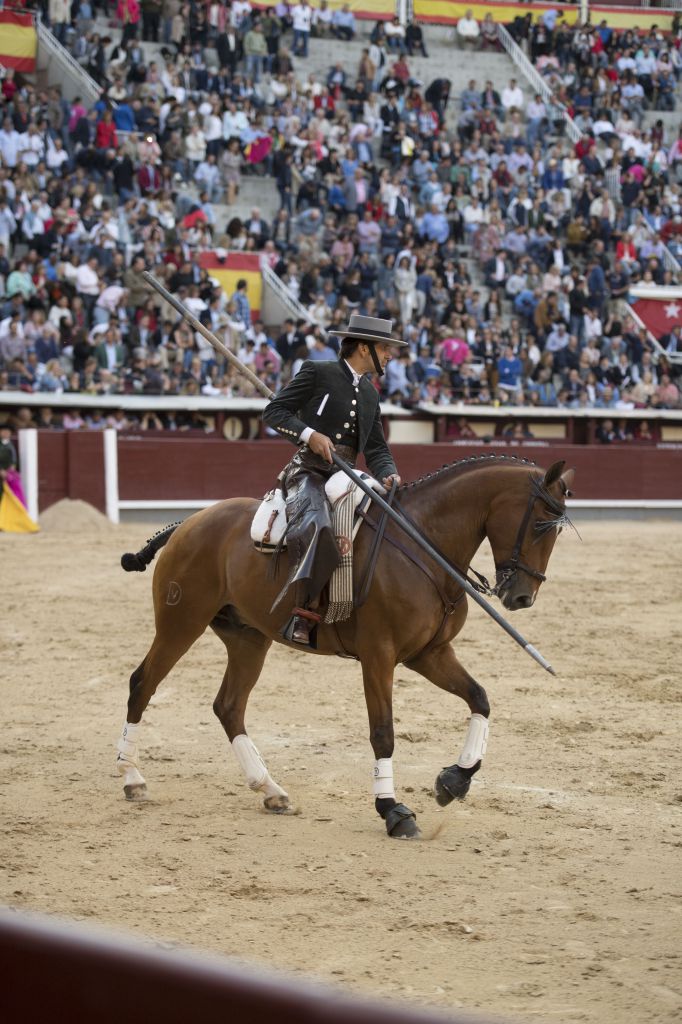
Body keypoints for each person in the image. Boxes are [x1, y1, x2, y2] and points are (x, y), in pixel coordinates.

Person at [262, 314, 407, 645]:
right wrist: (309, 434)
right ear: (362, 347)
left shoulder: (370, 394)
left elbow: (376, 448)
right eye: (384, 348)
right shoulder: (318, 372)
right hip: (307, 470)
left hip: (346, 475)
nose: (389, 355)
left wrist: (388, 473)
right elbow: (275, 413)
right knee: (319, 527)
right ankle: (305, 612)